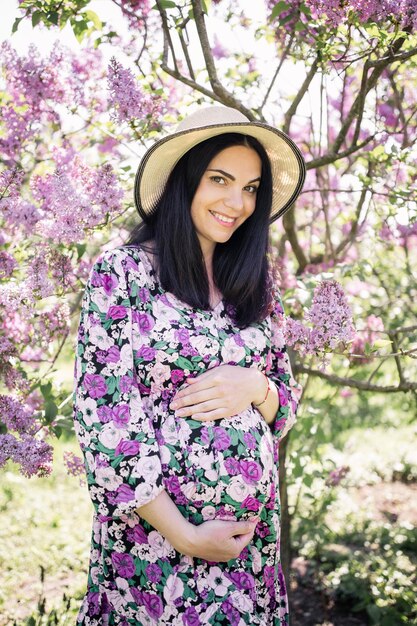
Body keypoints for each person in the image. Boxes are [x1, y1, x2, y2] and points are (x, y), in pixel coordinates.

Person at [73, 105, 305, 626]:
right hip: (156, 553)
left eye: (250, 188)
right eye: (220, 180)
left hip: (250, 554)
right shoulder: (123, 274)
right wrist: (187, 535)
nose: (236, 202)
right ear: (185, 181)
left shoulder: (256, 284)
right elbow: (106, 422)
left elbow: (285, 408)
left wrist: (256, 385)